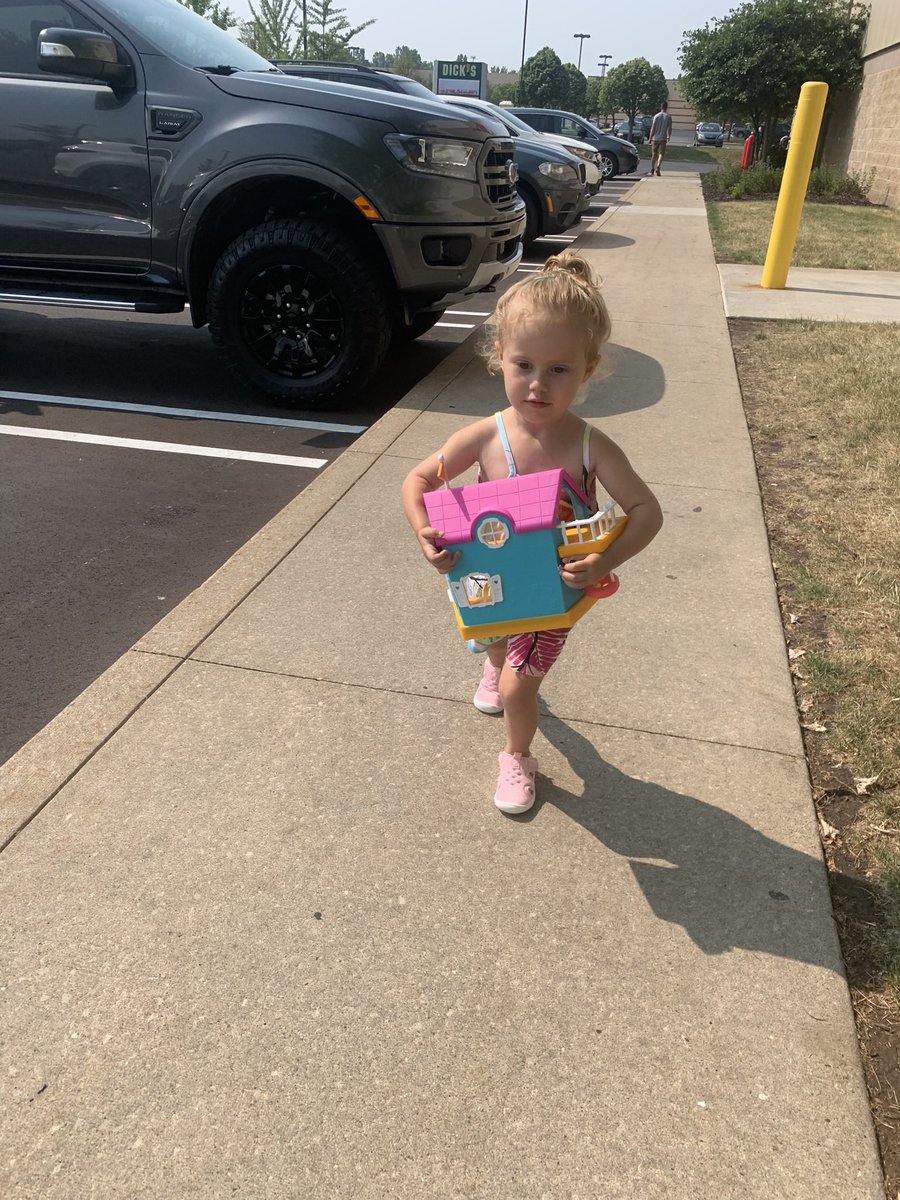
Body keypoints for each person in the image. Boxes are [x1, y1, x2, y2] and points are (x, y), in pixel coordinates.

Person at [401, 252, 663, 816]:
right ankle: (494, 660)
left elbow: (646, 510)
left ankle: (517, 756)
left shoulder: (591, 447)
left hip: (557, 593)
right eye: (524, 365)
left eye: (559, 370)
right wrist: (426, 531)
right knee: (495, 641)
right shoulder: (487, 436)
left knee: (522, 687)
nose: (538, 385)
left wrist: (602, 562)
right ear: (499, 357)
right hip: (495, 582)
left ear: (588, 369)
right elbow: (419, 478)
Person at [648, 101, 672, 176]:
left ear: (661, 107)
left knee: (654, 154)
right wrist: (669, 136)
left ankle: (652, 169)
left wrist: (650, 138)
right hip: (663, 138)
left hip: (655, 138)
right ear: (666, 107)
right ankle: (658, 166)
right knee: (661, 153)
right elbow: (670, 128)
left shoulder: (656, 116)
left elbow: (653, 128)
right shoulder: (668, 117)